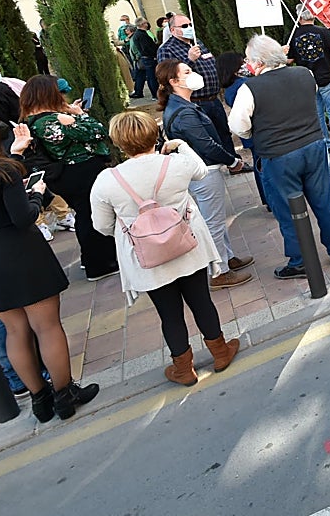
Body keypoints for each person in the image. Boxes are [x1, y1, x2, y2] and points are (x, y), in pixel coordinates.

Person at [90, 111, 241, 387]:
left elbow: (100, 226)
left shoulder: (107, 180)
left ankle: (184, 369)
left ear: (119, 143)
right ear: (155, 135)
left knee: (168, 314)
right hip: (187, 246)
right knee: (201, 301)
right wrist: (181, 145)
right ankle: (220, 352)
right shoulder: (176, 164)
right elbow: (199, 170)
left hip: (146, 257)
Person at [0, 100, 96, 421]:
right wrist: (36, 192)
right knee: (47, 326)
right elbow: (23, 217)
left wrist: (16, 155)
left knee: (15, 332)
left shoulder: (1, 167)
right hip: (21, 253)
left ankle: (40, 400)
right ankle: (65, 394)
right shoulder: (4, 170)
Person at [228, 35, 330, 280]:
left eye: (249, 60)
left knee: (288, 210)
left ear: (259, 61)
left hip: (277, 155)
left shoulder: (249, 89)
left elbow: (239, 126)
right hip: (313, 145)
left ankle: (299, 259)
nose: (247, 65)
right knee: (323, 200)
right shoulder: (305, 74)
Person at [157, 59, 254, 289]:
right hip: (204, 173)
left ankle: (227, 257)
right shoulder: (183, 113)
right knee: (213, 223)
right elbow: (206, 145)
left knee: (216, 218)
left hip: (200, 170)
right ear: (174, 81)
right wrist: (232, 160)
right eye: (187, 72)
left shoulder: (182, 106)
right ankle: (219, 271)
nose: (194, 75)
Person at [19, 75, 118, 281]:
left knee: (84, 213)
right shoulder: (54, 120)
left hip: (64, 176)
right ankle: (99, 264)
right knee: (90, 215)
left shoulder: (32, 120)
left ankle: (90, 258)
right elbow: (98, 132)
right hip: (79, 172)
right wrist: (80, 115)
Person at [288, 7, 330, 156]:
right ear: (313, 15)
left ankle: (325, 143)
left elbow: (289, 60)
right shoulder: (323, 32)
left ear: (299, 18)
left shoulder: (294, 36)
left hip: (308, 82)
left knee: (318, 114)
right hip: (327, 78)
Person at [157, 14, 234, 150]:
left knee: (224, 133)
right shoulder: (167, 49)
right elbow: (167, 76)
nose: (189, 28)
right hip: (194, 101)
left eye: (190, 25)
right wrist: (190, 59)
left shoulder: (197, 43)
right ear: (173, 30)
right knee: (206, 137)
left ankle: (234, 161)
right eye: (184, 26)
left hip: (213, 98)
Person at [216, 51, 269, 212]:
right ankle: (271, 199)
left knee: (260, 165)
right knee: (264, 167)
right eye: (242, 63)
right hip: (257, 131)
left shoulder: (232, 87)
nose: (246, 65)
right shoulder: (242, 85)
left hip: (252, 134)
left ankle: (267, 199)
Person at [128, 18, 160, 100]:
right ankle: (155, 95)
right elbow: (146, 48)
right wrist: (154, 52)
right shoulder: (142, 35)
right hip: (149, 58)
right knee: (152, 77)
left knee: (150, 77)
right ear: (142, 24)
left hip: (146, 58)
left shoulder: (137, 34)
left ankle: (155, 94)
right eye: (146, 22)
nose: (147, 24)